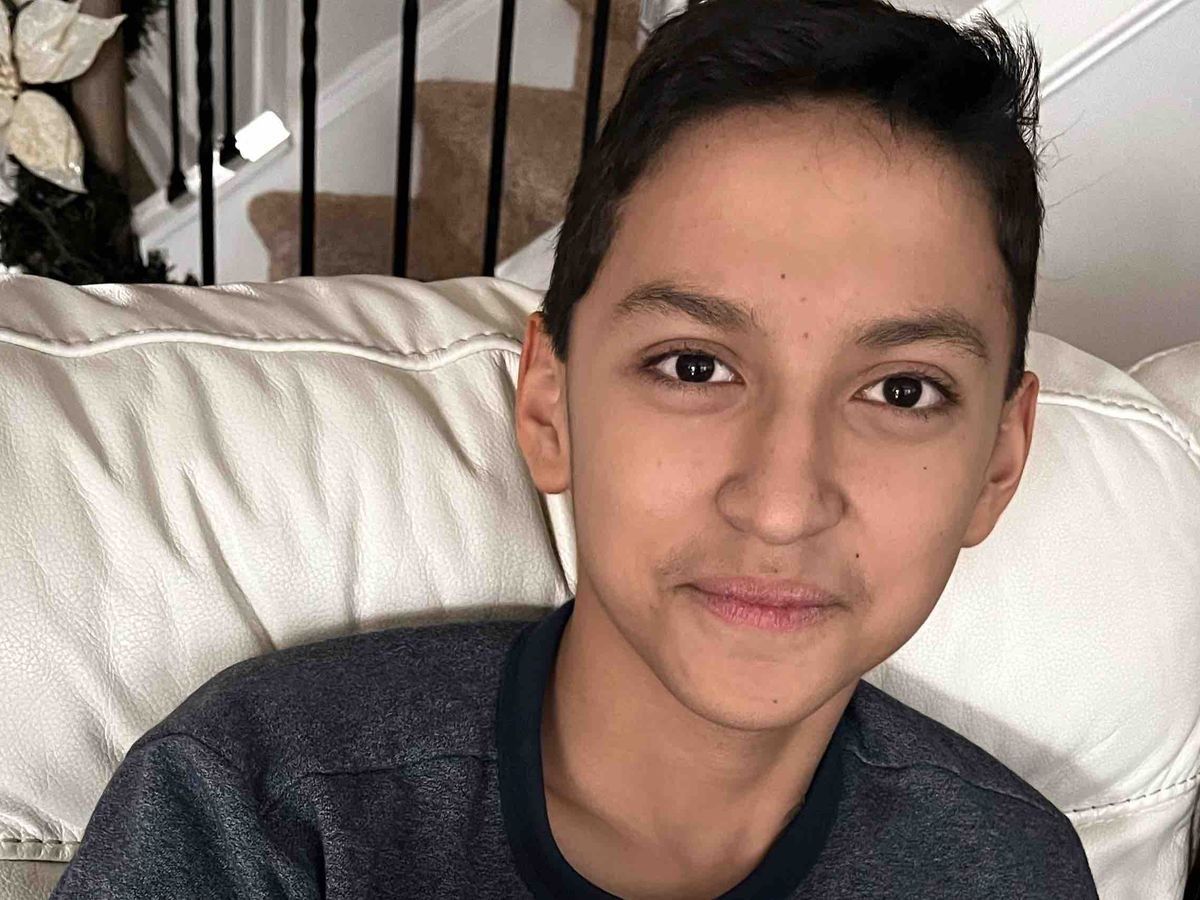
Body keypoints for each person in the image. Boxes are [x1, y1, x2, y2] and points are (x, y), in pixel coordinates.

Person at [49, 1, 1102, 897]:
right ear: (549, 404)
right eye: (694, 366)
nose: (783, 506)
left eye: (902, 391)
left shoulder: (1016, 872)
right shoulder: (261, 809)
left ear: (999, 462)